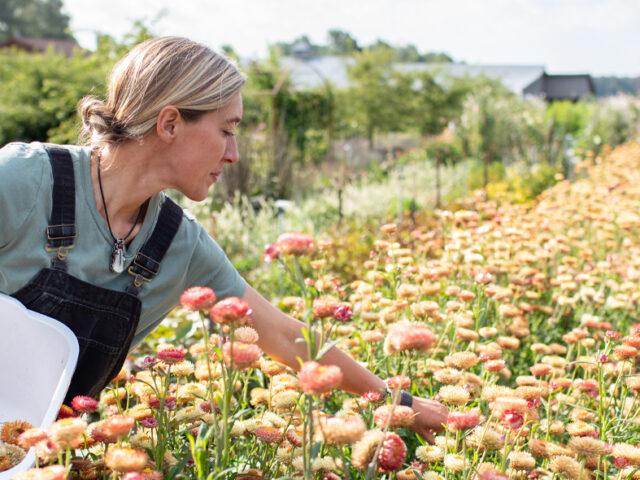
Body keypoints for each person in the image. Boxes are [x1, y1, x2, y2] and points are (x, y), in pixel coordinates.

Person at [0, 36, 446, 442]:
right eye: (226, 130)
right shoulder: (25, 180)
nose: (233, 154)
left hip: (38, 461)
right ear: (170, 123)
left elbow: (283, 334)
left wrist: (398, 402)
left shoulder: (177, 245)